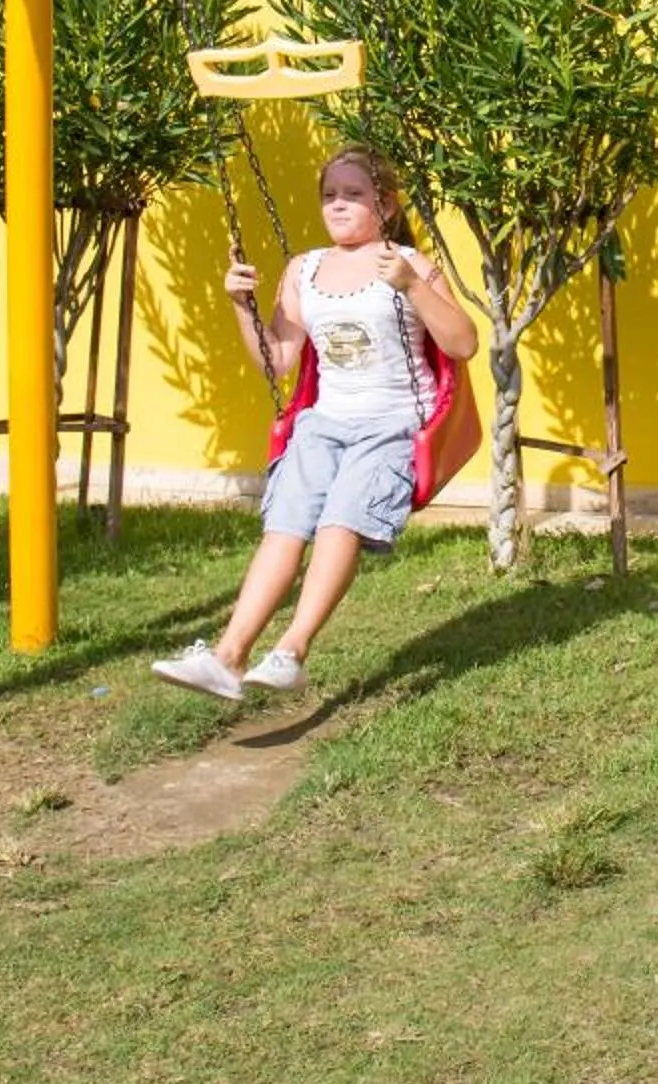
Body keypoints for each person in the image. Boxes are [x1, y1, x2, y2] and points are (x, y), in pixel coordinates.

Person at [154, 148, 479, 702]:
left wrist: (412, 285)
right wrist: (241, 304)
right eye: (330, 195)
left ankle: (291, 652)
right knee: (284, 526)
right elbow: (278, 359)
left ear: (387, 203)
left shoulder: (408, 265)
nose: (339, 205)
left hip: (391, 425)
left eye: (354, 194)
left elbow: (464, 343)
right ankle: (228, 657)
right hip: (323, 425)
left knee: (339, 522)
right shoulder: (305, 269)